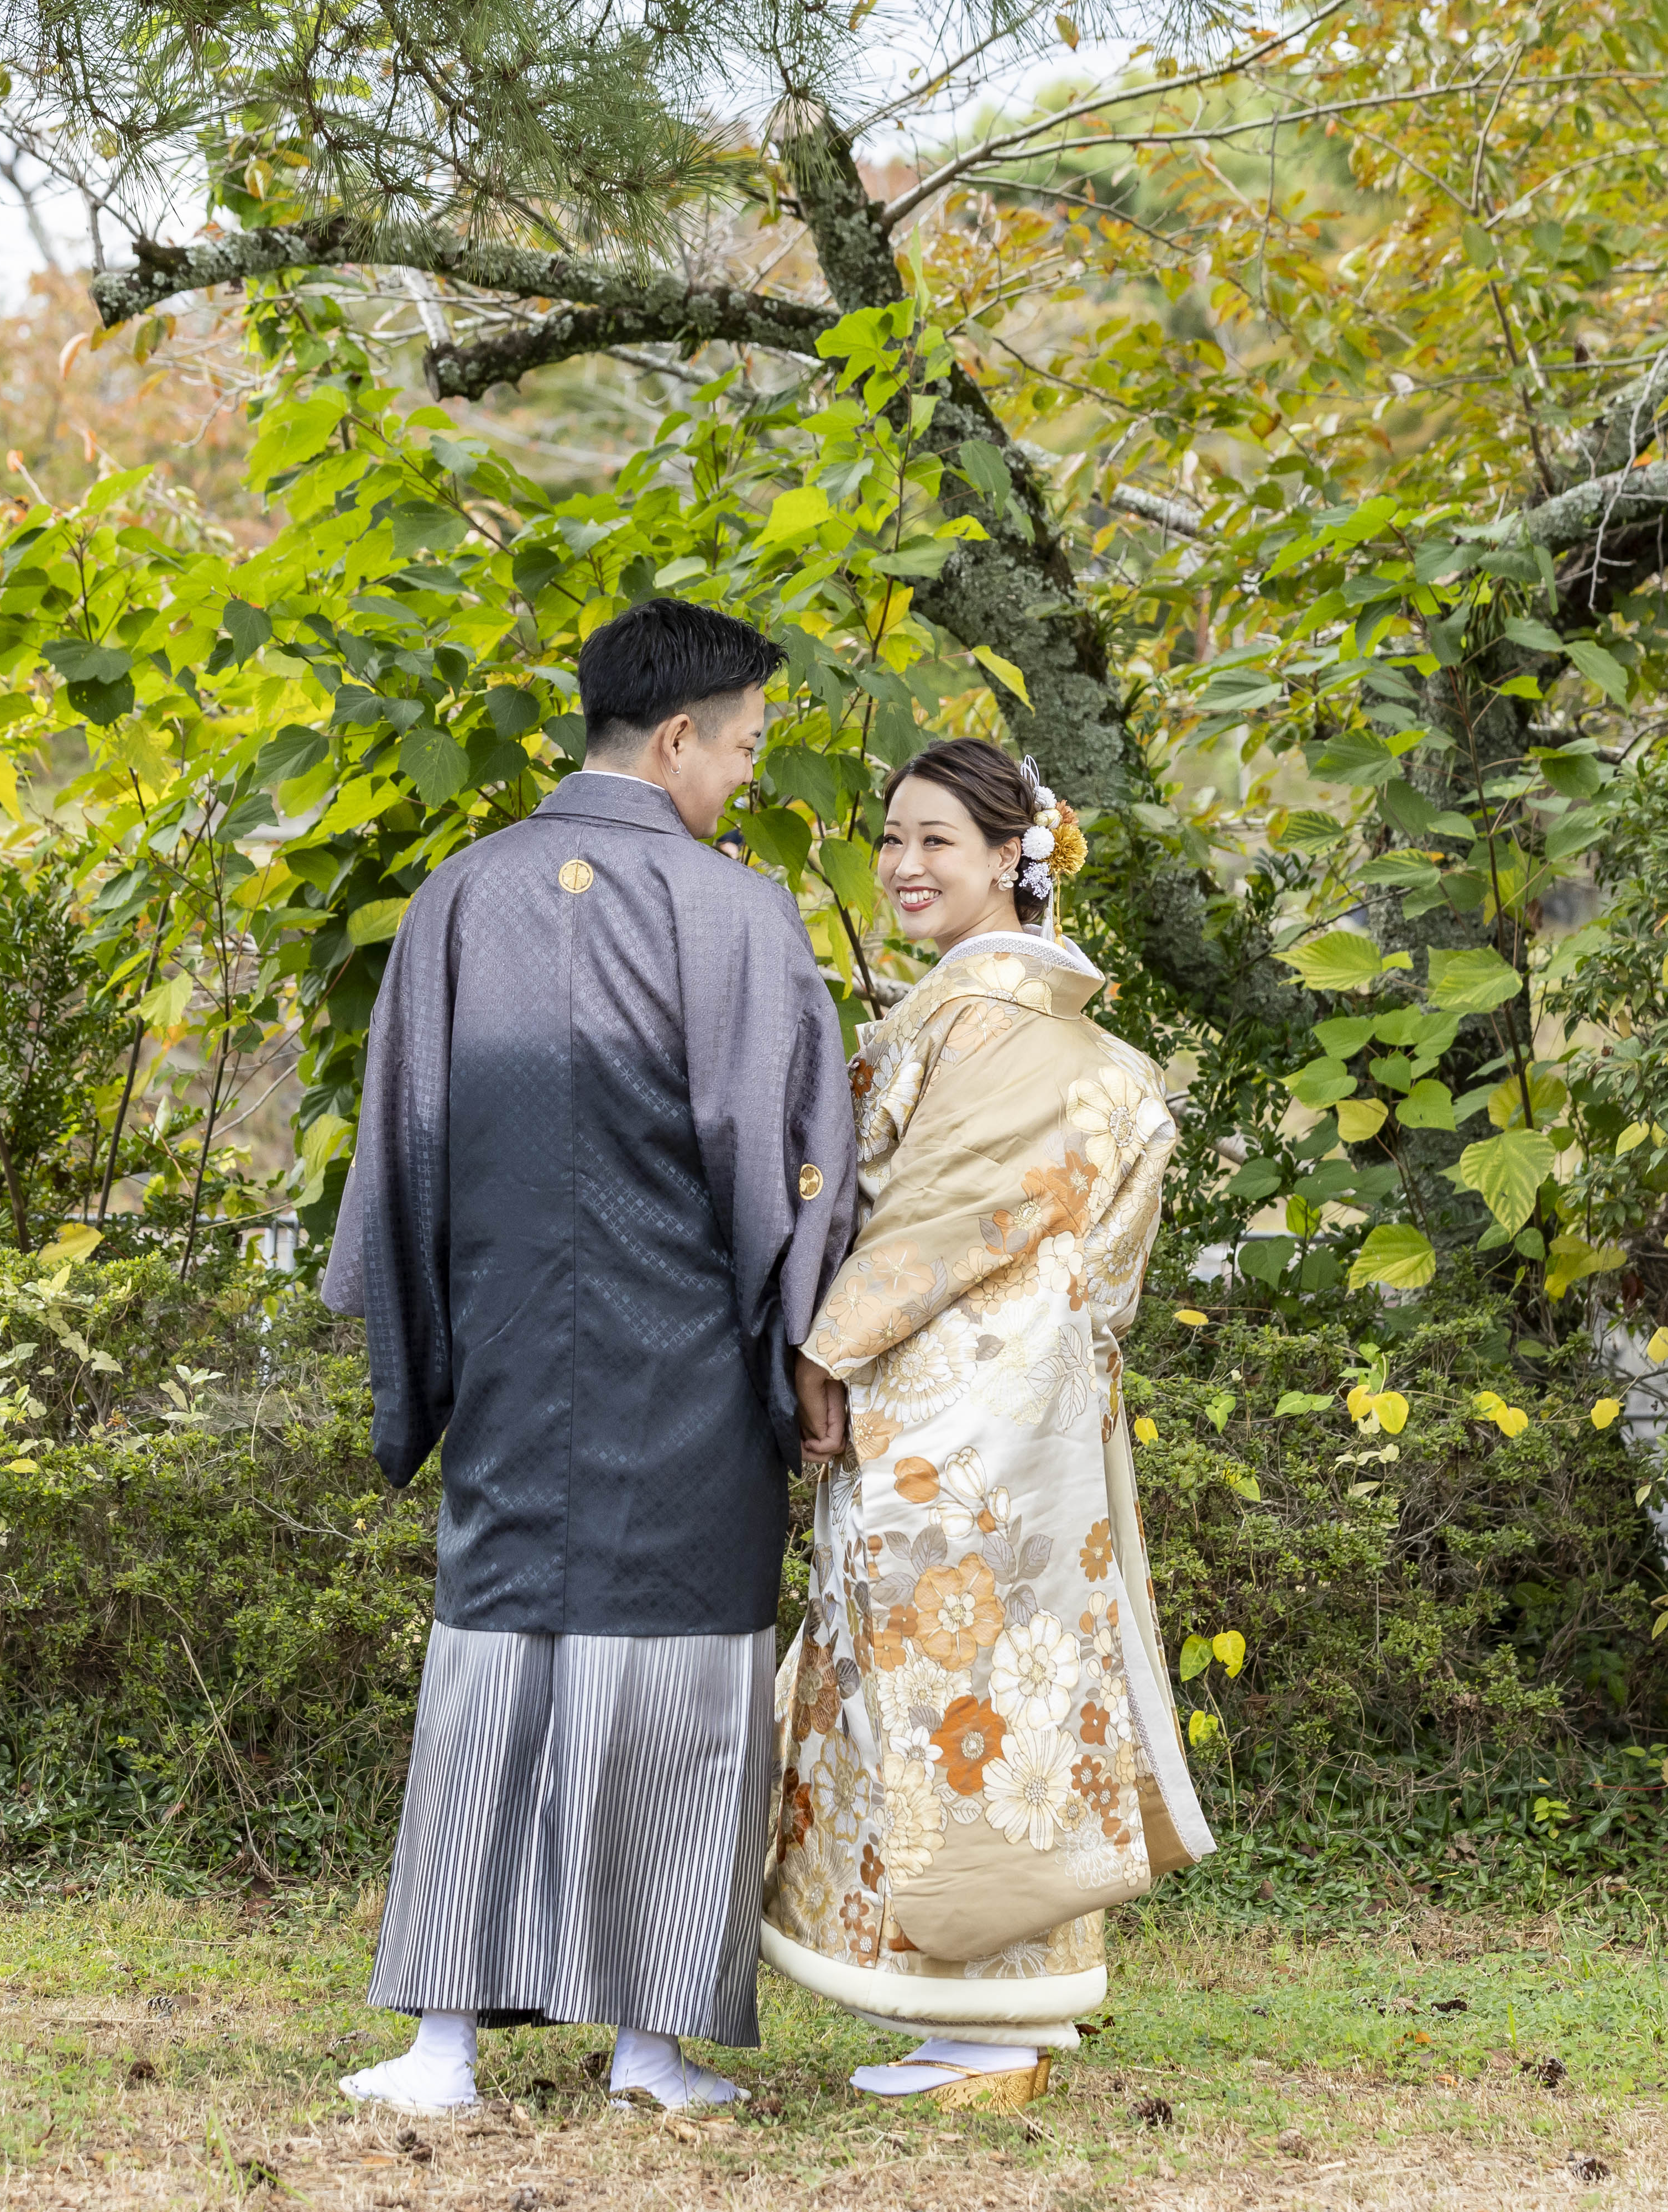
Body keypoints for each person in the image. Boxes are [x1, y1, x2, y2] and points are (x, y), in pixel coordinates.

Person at [320, 599, 858, 2114]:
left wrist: (432, 1344)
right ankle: (649, 2048)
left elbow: (403, 1145)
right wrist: (805, 1339)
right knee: (683, 1691)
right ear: (680, 737)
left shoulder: (460, 897)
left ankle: (440, 2046)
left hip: (506, 1357)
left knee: (491, 1666)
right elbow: (794, 1159)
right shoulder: (734, 911)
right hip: (685, 1369)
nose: (744, 777)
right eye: (745, 747)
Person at [756, 735, 1212, 2110]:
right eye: (892, 837)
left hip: (960, 1410)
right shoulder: (1020, 1016)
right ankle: (988, 2018)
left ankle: (991, 2032)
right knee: (1002, 1693)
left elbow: (938, 1214)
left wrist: (831, 1340)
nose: (904, 864)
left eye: (937, 839)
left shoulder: (995, 1019)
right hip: (1012, 1401)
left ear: (1016, 852)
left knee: (960, 1697)